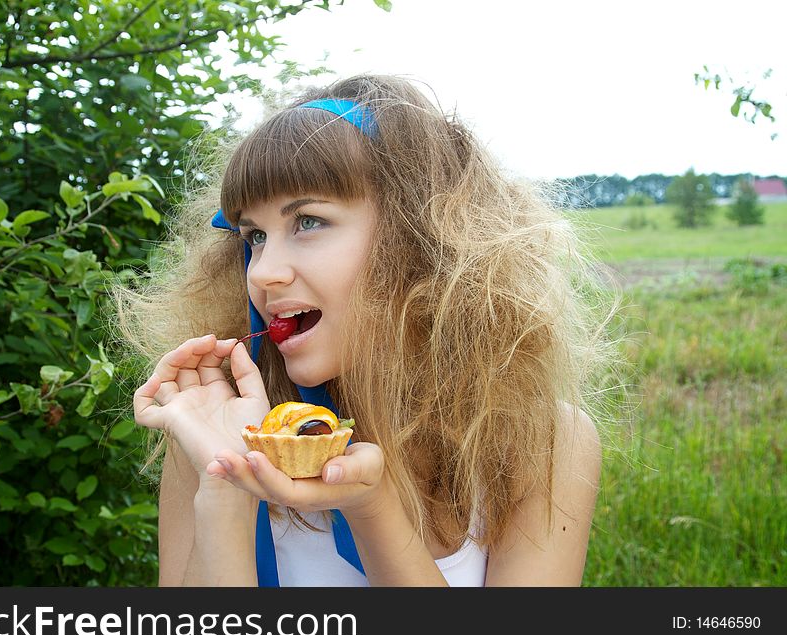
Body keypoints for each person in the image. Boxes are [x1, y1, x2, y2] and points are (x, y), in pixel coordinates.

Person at [115, 73, 624, 586]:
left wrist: (371, 507)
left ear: (417, 240)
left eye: (308, 221)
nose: (263, 271)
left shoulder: (542, 437)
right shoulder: (218, 427)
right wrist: (226, 481)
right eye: (255, 236)